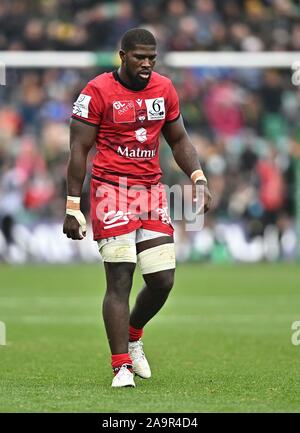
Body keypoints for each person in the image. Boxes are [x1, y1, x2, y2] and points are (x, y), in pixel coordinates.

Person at [63, 28, 212, 388]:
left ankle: (134, 335)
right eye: (139, 57)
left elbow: (178, 138)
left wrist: (198, 176)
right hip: (111, 190)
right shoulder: (96, 91)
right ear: (122, 56)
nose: (146, 63)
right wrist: (72, 205)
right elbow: (78, 151)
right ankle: (121, 366)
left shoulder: (164, 89)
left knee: (162, 280)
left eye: (152, 57)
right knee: (120, 277)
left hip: (150, 192)